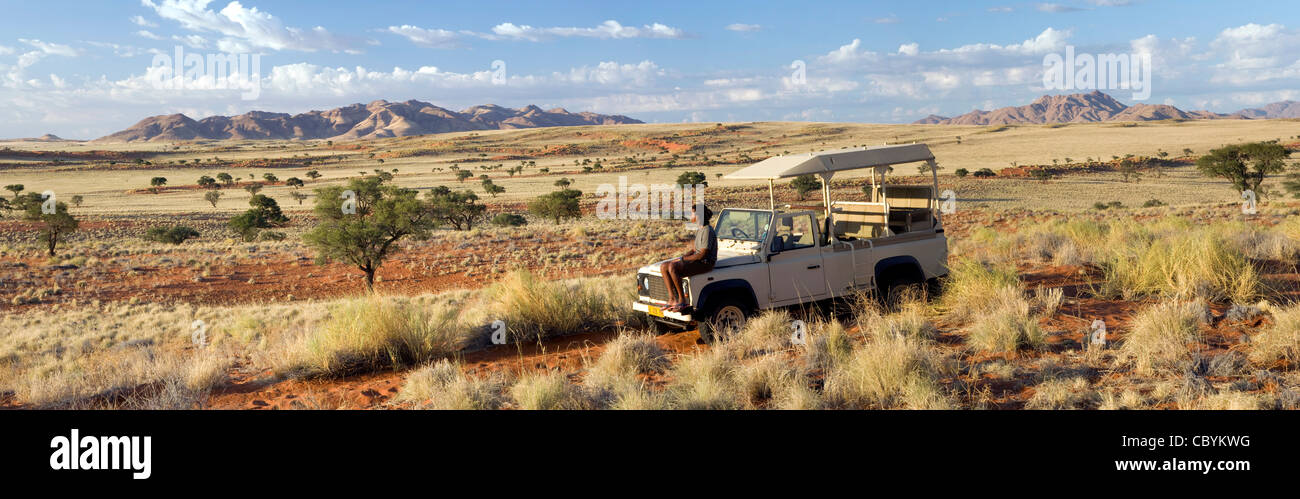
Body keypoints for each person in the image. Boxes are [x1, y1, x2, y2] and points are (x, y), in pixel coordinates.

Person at [660, 204, 716, 312]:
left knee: (673, 267)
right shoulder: (700, 229)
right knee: (664, 266)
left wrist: (684, 260)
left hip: (705, 263)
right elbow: (695, 250)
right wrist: (682, 257)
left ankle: (682, 301)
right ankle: (672, 299)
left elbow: (702, 254)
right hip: (698, 260)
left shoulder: (707, 231)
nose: (691, 216)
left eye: (693, 213)